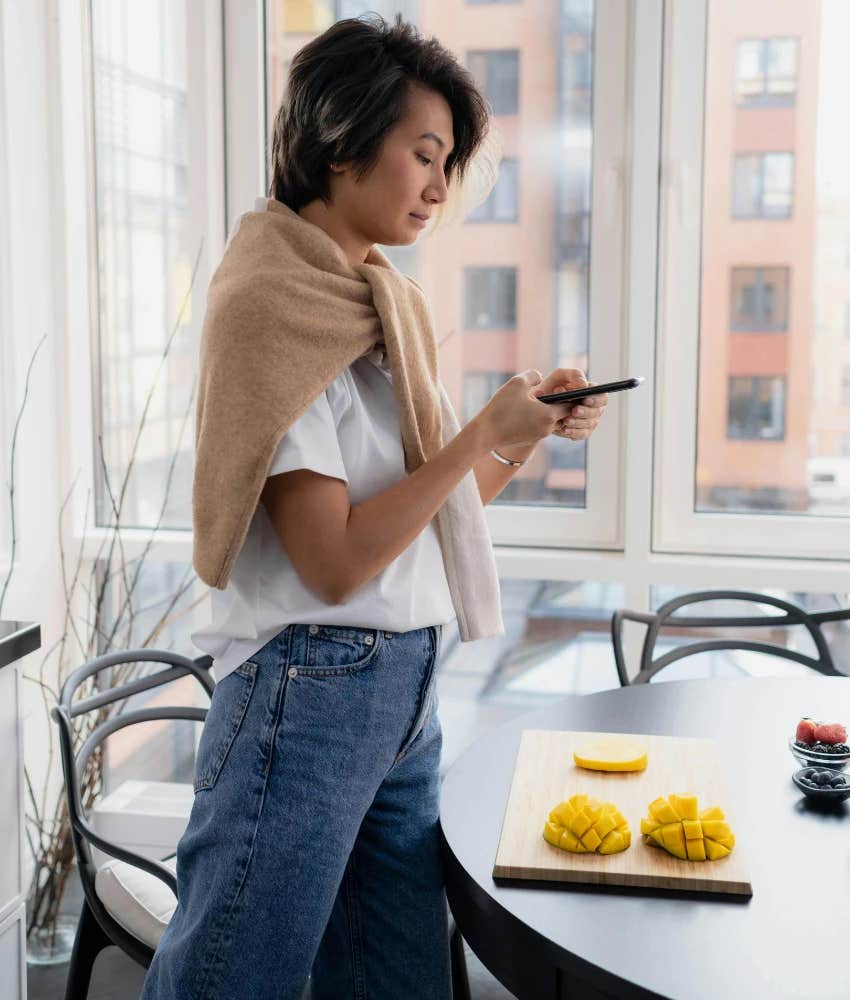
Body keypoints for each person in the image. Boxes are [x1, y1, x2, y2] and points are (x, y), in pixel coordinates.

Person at [140, 14, 607, 1000]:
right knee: (231, 983)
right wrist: (476, 432)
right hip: (306, 693)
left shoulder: (371, 299)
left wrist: (517, 433)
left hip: (397, 690)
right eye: (424, 154)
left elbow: (424, 520)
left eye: (451, 162)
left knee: (397, 983)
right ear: (341, 144)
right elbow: (336, 561)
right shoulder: (275, 305)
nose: (441, 186)